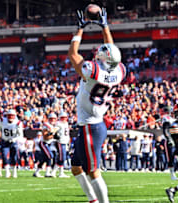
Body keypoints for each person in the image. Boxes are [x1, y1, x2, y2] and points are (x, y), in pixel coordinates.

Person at [69, 8, 126, 203]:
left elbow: (73, 54)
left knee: (93, 171)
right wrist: (105, 26)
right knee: (76, 167)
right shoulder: (118, 72)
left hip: (90, 126)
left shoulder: (91, 70)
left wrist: (79, 30)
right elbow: (111, 49)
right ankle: (92, 200)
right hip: (92, 122)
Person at [0, 109, 23, 178]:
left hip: (13, 142)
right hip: (5, 140)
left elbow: (20, 134)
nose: (10, 117)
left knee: (14, 157)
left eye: (11, 116)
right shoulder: (2, 121)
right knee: (4, 155)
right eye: (9, 116)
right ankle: (7, 171)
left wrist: (15, 139)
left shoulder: (18, 123)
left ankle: (14, 171)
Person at [52, 112, 71, 178]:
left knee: (63, 158)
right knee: (62, 158)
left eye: (65, 117)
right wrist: (53, 132)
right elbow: (55, 129)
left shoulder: (66, 124)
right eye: (62, 118)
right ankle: (56, 172)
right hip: (60, 142)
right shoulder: (59, 124)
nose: (64, 119)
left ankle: (57, 172)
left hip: (65, 142)